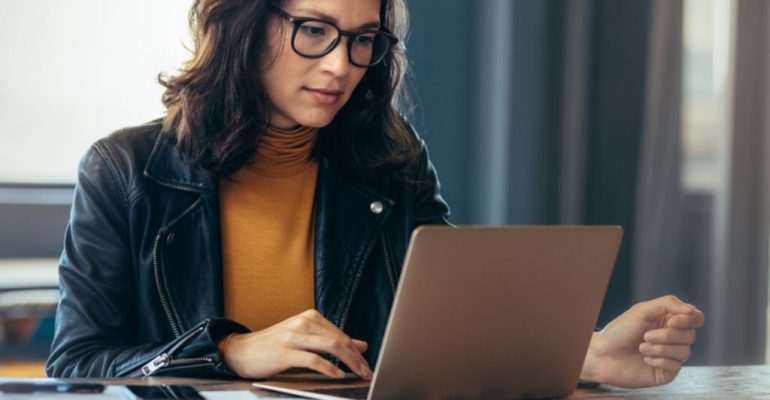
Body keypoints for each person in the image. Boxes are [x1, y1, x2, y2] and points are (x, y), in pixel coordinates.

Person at [46, 0, 705, 389]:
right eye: (313, 29)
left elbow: (448, 332)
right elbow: (77, 365)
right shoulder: (125, 169)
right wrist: (227, 353)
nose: (340, 64)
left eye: (364, 40)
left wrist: (582, 355)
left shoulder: (390, 160)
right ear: (243, 22)